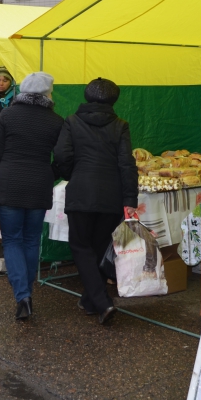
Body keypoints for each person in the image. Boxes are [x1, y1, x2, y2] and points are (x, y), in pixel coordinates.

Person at [54, 78, 138, 325]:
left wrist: (71, 174)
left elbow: (61, 154)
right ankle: (91, 301)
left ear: (87, 96)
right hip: (110, 194)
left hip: (81, 191)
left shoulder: (71, 121)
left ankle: (102, 303)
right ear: (114, 99)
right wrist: (130, 198)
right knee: (101, 247)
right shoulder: (120, 125)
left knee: (81, 246)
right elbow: (127, 164)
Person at [0, 72, 63, 320]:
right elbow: (63, 157)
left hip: (8, 183)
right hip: (39, 184)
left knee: (12, 240)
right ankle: (25, 291)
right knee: (31, 240)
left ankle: (23, 295)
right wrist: (51, 173)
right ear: (48, 94)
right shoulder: (56, 121)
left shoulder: (8, 115)